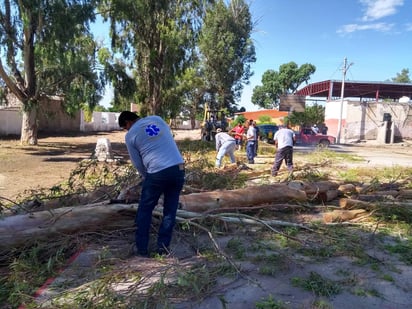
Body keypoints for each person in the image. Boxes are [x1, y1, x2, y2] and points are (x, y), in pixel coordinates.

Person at [118, 111, 185, 257]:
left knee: (145, 210)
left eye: (125, 127)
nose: (126, 130)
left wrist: (146, 177)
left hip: (157, 172)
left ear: (128, 123)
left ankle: (142, 249)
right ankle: (163, 248)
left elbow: (137, 163)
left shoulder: (130, 135)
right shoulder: (157, 119)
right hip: (178, 168)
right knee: (170, 210)